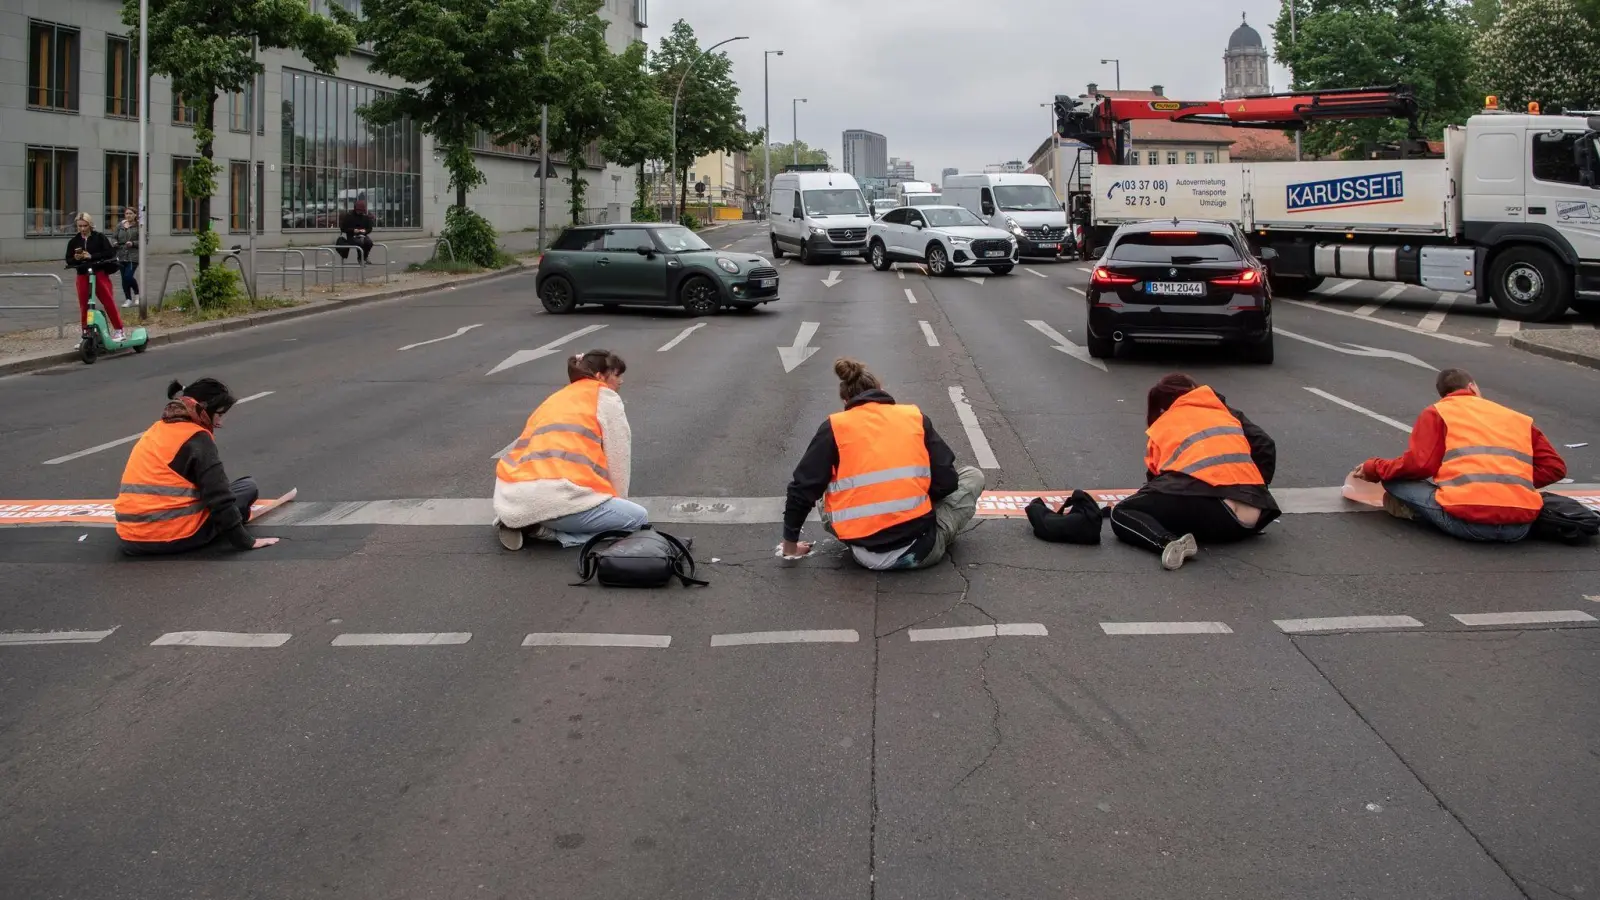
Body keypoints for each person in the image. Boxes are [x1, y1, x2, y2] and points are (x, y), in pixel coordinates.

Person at [781, 358, 986, 570]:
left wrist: (790, 547)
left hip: (863, 552)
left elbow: (802, 488)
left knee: (827, 490)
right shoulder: (914, 418)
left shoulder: (835, 427)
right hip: (919, 550)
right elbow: (948, 481)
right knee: (972, 476)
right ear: (881, 390)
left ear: (845, 401)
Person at [1350, 367, 1566, 542]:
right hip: (1520, 527)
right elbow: (1555, 468)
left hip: (1468, 523)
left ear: (1444, 395)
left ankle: (1415, 512)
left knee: (1394, 481)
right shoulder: (1516, 418)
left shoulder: (1438, 412)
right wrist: (1513, 483)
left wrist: (1374, 467)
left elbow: (1420, 466)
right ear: (1472, 387)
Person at [1109, 374, 1279, 570]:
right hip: (1253, 517)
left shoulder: (1164, 424)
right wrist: (1255, 490)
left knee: (1122, 512)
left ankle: (1167, 543)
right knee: (1188, 506)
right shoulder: (1224, 412)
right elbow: (1265, 444)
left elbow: (1157, 484)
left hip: (1214, 514)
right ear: (1193, 389)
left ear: (1164, 405)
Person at [493, 350, 649, 550]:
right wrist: (618, 505)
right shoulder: (605, 398)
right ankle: (547, 533)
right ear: (600, 376)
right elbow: (619, 458)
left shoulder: (556, 398)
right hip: (557, 502)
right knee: (637, 520)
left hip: (513, 496)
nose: (622, 381)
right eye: (617, 374)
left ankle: (521, 521)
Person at [115, 379, 278, 555]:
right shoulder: (197, 438)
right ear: (203, 410)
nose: (219, 423)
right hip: (175, 536)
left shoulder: (155, 430)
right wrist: (246, 541)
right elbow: (219, 498)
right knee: (248, 487)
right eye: (219, 414)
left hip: (131, 538)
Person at [65, 212, 126, 342]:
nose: (82, 229)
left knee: (108, 301)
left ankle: (119, 329)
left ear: (90, 225)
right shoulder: (74, 241)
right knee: (84, 305)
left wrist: (91, 256)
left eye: (85, 226)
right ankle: (86, 333)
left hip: (98, 273)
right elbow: (68, 259)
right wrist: (76, 259)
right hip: (82, 274)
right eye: (79, 226)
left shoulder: (99, 237)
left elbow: (109, 253)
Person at [112, 207, 140, 309]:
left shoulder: (138, 226)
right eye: (127, 213)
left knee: (128, 276)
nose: (128, 215)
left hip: (133, 256)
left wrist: (133, 243)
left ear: (135, 215)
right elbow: (114, 236)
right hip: (121, 255)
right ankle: (128, 299)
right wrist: (114, 242)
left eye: (131, 213)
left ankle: (137, 294)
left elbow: (144, 240)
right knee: (124, 279)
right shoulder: (120, 226)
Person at [336, 198, 376, 264]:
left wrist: (365, 231)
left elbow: (370, 228)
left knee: (369, 243)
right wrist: (353, 230)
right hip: (351, 236)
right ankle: (360, 258)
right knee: (360, 242)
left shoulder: (365, 217)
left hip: (363, 235)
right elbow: (343, 228)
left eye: (361, 211)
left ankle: (364, 257)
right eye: (358, 211)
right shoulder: (349, 216)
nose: (360, 213)